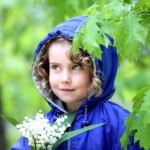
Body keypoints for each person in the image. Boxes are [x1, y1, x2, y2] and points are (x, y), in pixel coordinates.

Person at [11, 16, 142, 150]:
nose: (65, 78)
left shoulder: (120, 124)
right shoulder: (41, 129)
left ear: (96, 71)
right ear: (45, 69)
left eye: (76, 67)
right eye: (56, 67)